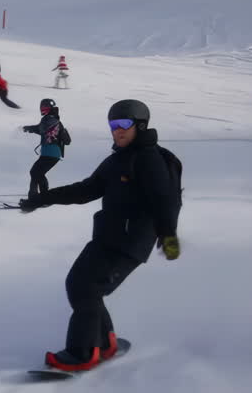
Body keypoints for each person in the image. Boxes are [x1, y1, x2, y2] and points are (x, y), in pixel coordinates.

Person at [17, 99, 181, 372]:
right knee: (78, 285)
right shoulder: (117, 160)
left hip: (130, 241)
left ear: (140, 126)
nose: (117, 130)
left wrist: (169, 237)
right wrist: (43, 198)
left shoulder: (149, 159)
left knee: (87, 288)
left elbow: (164, 201)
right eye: (113, 125)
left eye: (124, 125)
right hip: (107, 236)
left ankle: (83, 352)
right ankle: (105, 343)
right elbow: (86, 189)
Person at [21, 98, 66, 198]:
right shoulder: (51, 118)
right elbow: (42, 129)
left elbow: (41, 128)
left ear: (50, 108)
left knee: (35, 172)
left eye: (45, 107)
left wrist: (30, 128)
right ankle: (42, 197)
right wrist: (30, 128)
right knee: (37, 173)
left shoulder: (51, 119)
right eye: (41, 107)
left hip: (51, 153)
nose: (42, 109)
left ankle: (35, 197)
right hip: (48, 153)